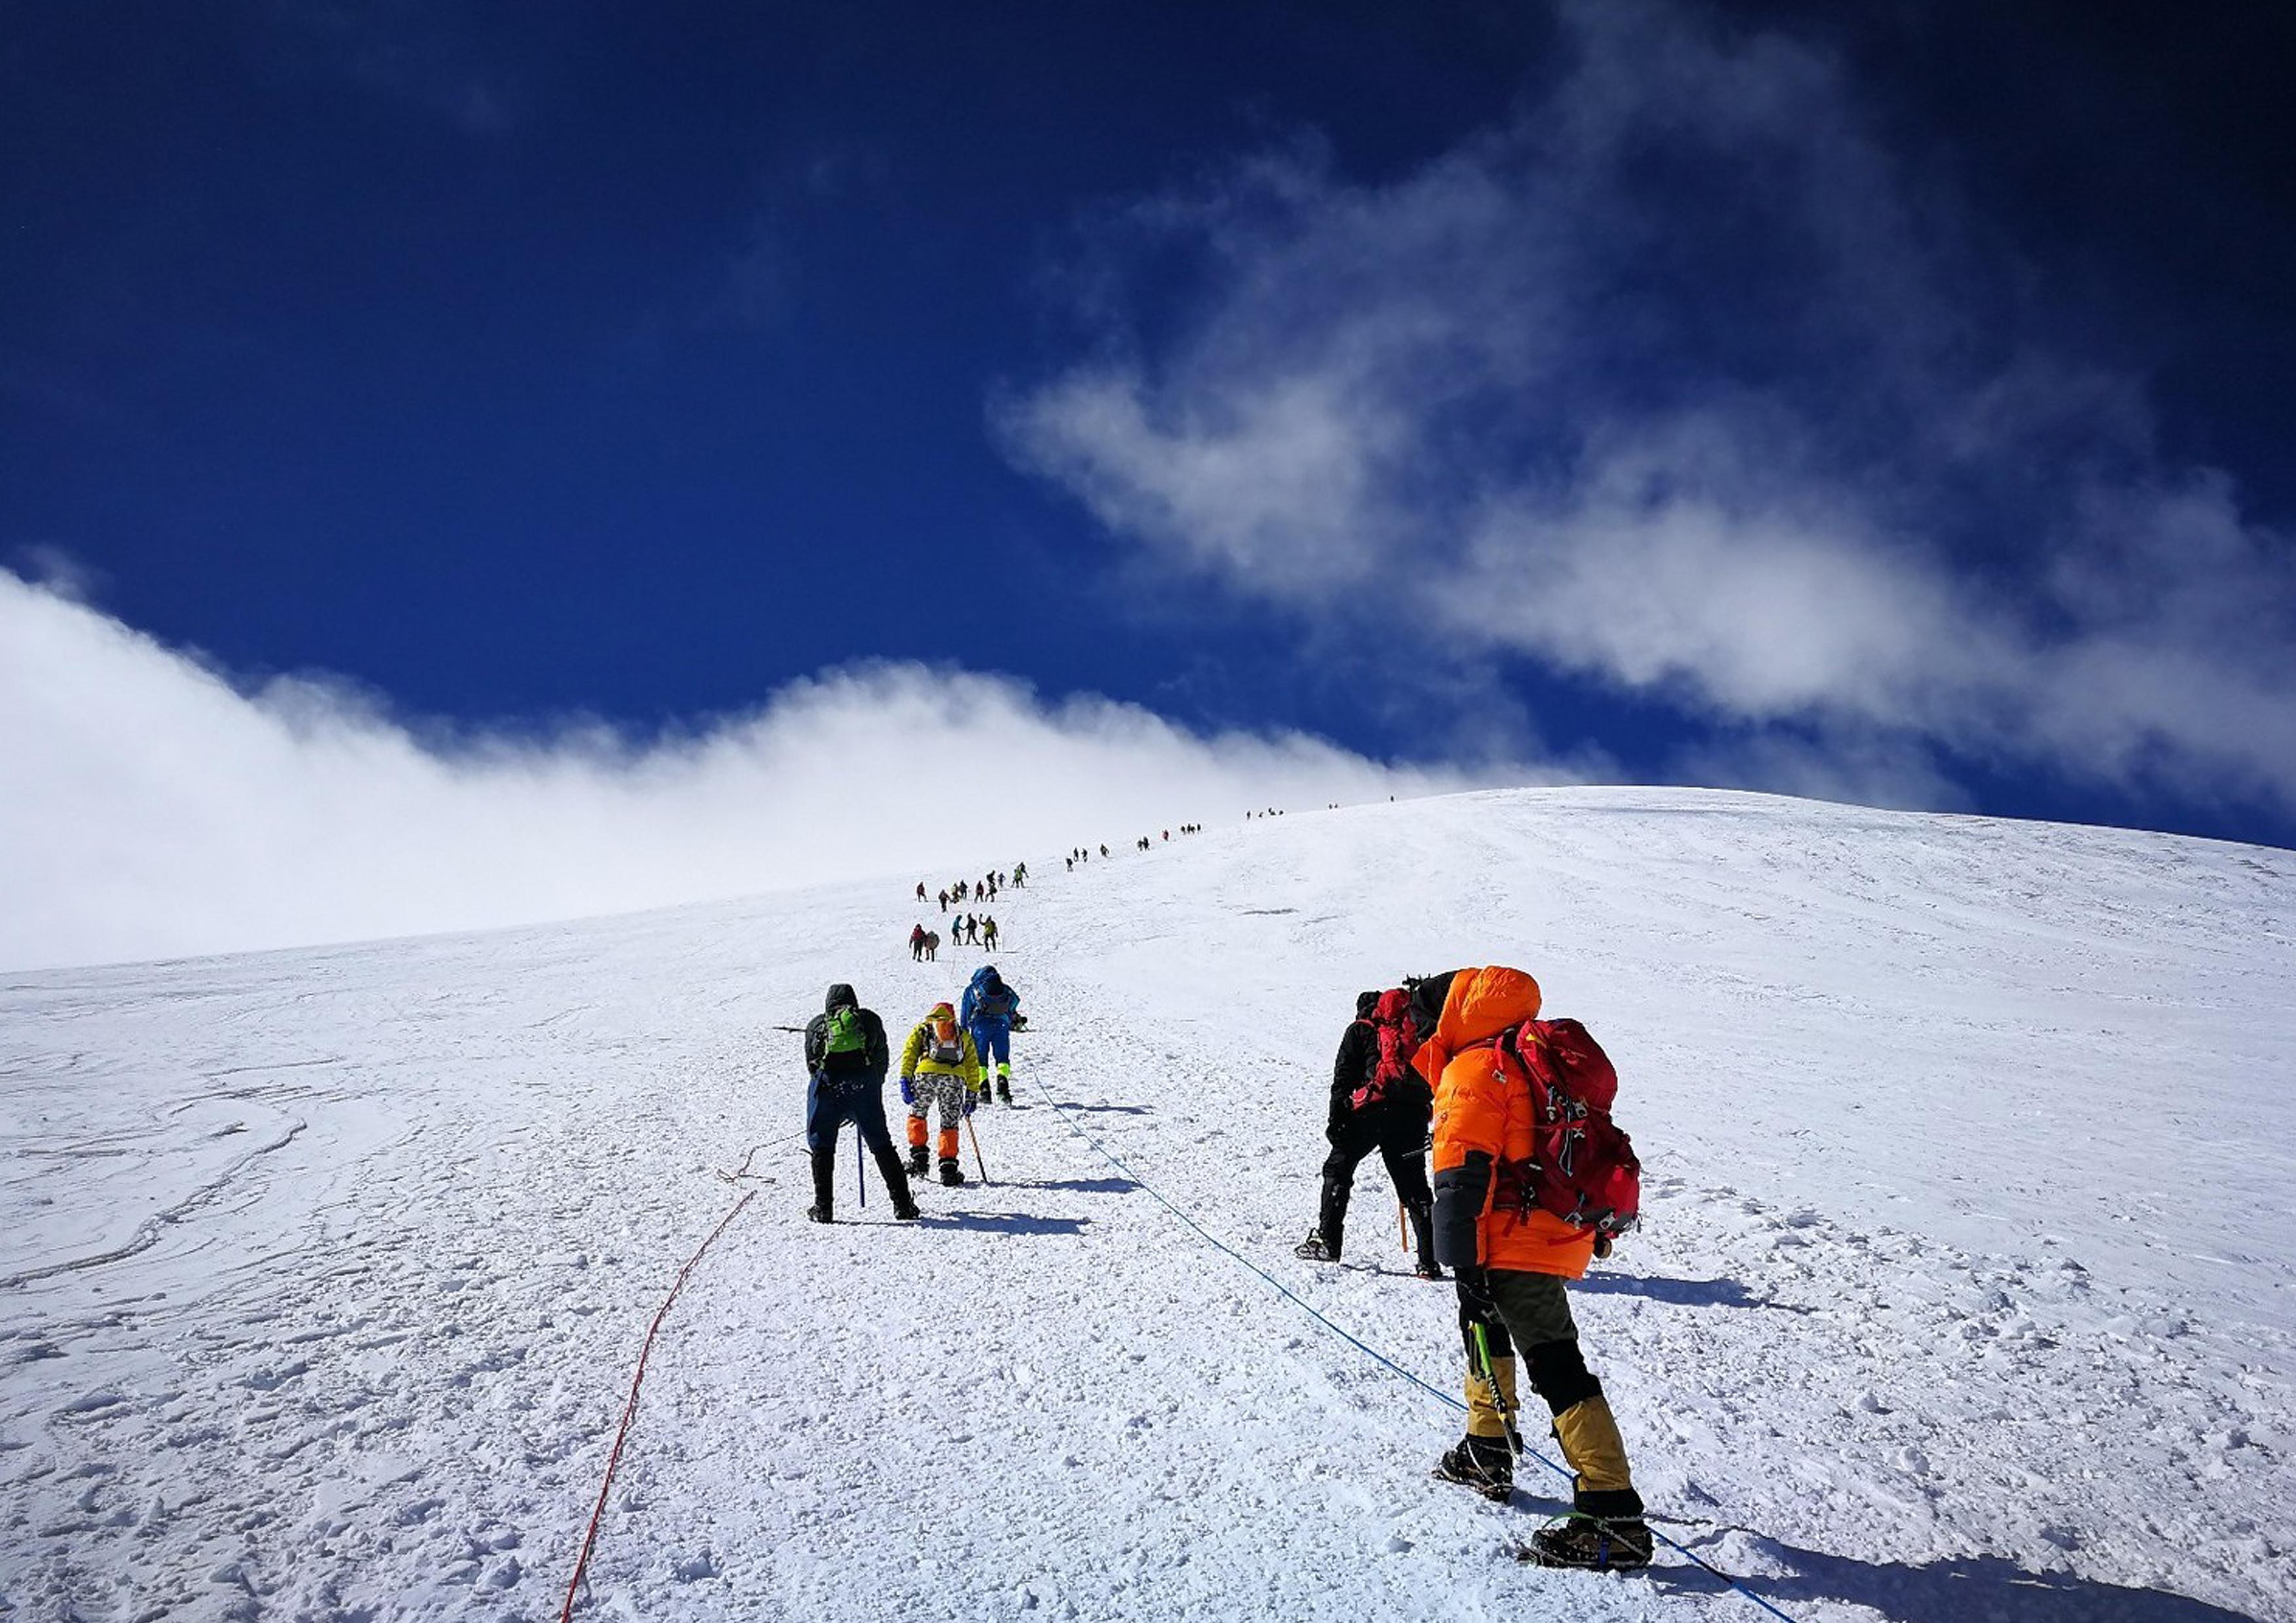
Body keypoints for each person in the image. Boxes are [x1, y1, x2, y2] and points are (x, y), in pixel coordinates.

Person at [1416, 967, 1651, 1570]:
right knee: (1485, 1327)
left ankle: (1612, 1511)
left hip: (1510, 1237)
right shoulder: (1528, 1057)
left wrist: (1458, 1259)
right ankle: (1485, 1444)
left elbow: (1460, 1175)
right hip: (1551, 1228)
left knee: (1553, 1359)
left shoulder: (1475, 1068)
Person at [1295, 988, 1440, 1280]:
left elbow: (1343, 1078)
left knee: (1338, 1168)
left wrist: (1336, 1118)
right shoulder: (1413, 1031)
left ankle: (1328, 1242)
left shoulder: (1360, 1031)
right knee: (1415, 1186)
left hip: (1372, 1113)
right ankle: (1429, 1261)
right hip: (1412, 1115)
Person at [802, 983, 918, 1224]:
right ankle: (903, 1205)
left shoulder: (816, 1025)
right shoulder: (869, 1021)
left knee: (822, 1147)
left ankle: (824, 1208)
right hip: (864, 1088)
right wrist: (871, 1088)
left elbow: (811, 1064)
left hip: (826, 1088)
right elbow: (881, 1058)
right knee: (881, 1145)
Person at [899, 1001, 984, 1185]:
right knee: (949, 1123)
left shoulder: (923, 1030)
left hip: (926, 1076)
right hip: (954, 1080)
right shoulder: (962, 1035)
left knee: (918, 1115)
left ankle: (919, 1160)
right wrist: (972, 1092)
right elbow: (972, 1066)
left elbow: (910, 1054)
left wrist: (905, 1077)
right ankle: (948, 1170)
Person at [961, 964, 1023, 1103]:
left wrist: (964, 1032)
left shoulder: (972, 989)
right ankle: (1003, 1084)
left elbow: (965, 1014)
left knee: (980, 1060)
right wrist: (1006, 1013)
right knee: (1002, 1058)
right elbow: (1015, 1000)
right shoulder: (1003, 988)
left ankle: (984, 1090)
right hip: (1001, 1025)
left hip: (980, 1027)